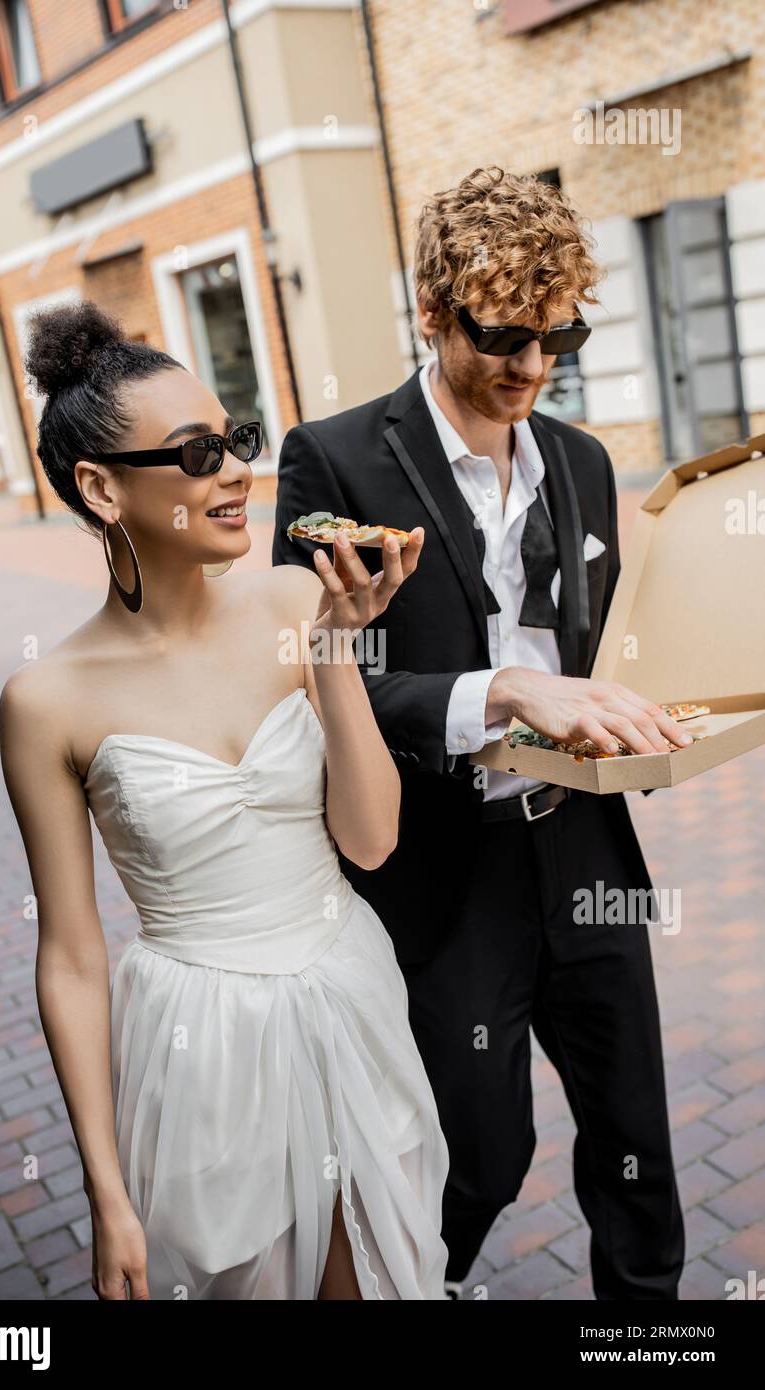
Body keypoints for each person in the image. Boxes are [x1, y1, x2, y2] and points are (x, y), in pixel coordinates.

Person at [272, 167, 689, 1300]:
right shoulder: (333, 458)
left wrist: (669, 695)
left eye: (559, 335)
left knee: (635, 1145)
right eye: (501, 333)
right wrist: (498, 691)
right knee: (476, 1155)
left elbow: (594, 654)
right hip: (441, 869)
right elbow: (314, 681)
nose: (529, 366)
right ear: (429, 309)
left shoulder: (584, 462)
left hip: (586, 850)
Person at [0, 300, 449, 1301]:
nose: (236, 469)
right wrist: (105, 1191)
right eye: (196, 454)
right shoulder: (43, 700)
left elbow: (370, 844)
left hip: (346, 996)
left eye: (235, 439)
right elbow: (70, 959)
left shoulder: (297, 601)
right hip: (200, 1045)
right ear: (99, 486)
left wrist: (334, 648)